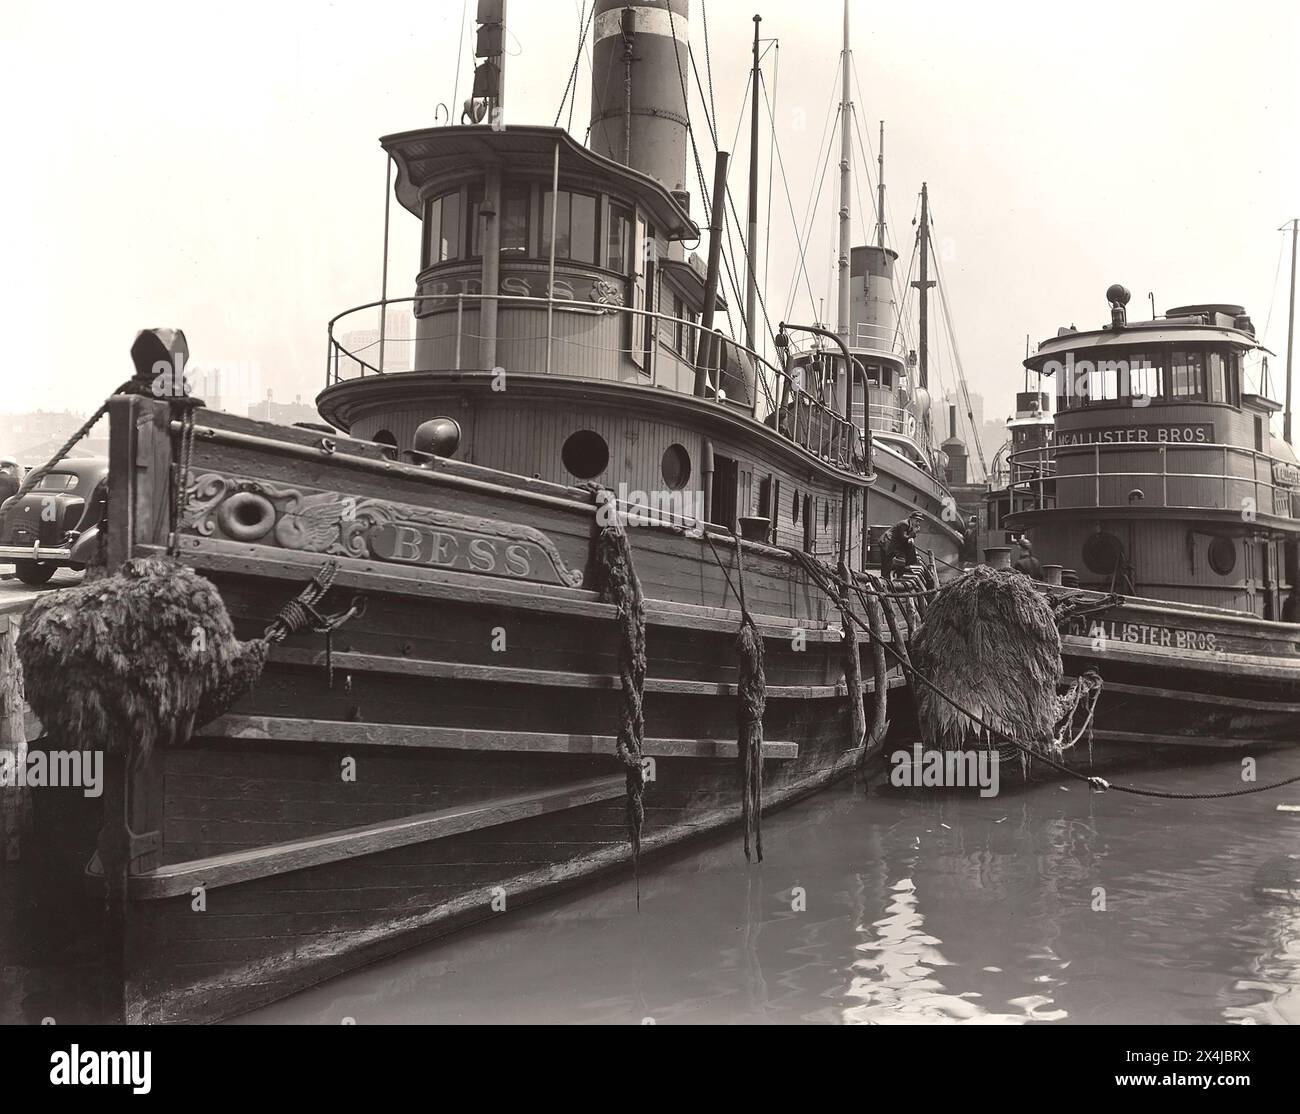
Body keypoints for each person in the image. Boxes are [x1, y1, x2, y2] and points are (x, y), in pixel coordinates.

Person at [881, 511, 923, 579]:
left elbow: (906, 538)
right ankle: (885, 580)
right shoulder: (904, 524)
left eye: (919, 521)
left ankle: (904, 569)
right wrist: (913, 533)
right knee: (886, 563)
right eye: (917, 520)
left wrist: (912, 535)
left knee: (907, 549)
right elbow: (903, 537)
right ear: (911, 519)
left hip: (894, 543)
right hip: (887, 542)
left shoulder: (910, 525)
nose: (918, 523)